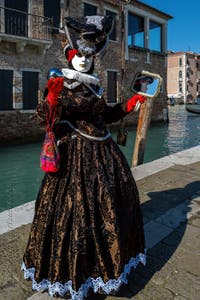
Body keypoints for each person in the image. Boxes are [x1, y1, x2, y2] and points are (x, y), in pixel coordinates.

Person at [21, 15, 146, 300]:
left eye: (88, 56)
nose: (83, 59)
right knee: (74, 215)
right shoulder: (59, 83)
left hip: (104, 153)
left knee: (110, 210)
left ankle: (105, 267)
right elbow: (45, 120)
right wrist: (51, 99)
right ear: (70, 56)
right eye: (78, 54)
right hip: (73, 158)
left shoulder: (95, 86)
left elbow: (105, 115)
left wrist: (127, 105)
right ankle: (70, 274)